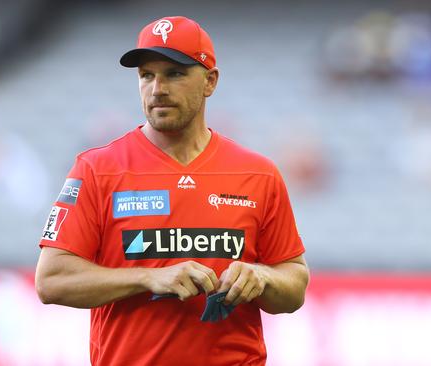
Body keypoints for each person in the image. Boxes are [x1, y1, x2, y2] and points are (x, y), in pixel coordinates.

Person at [34, 16, 309, 366]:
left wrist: (262, 277)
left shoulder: (258, 173)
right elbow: (51, 281)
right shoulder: (97, 169)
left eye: (174, 73)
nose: (157, 88)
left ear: (210, 81)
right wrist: (150, 277)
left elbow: (294, 285)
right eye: (147, 75)